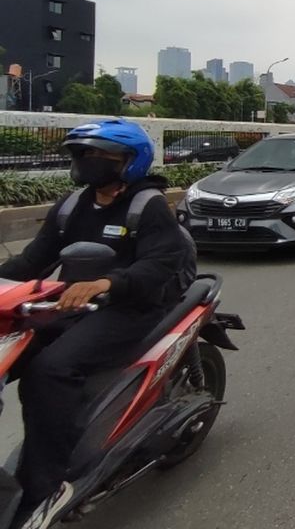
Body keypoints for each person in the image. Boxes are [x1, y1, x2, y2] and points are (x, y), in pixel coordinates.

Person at [0, 119, 192, 522]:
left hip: (129, 307)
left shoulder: (148, 205)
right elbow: (34, 260)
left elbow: (160, 264)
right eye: (82, 155)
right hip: (70, 305)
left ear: (128, 161)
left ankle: (47, 487)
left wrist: (107, 282)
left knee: (49, 371)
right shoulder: (72, 205)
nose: (87, 163)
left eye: (97, 155)